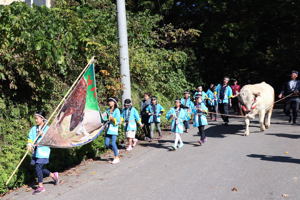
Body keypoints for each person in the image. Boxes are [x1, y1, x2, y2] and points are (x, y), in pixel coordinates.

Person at [27, 111, 59, 195]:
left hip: (44, 151)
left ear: (42, 119)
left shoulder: (47, 128)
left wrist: (43, 134)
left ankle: (40, 186)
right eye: (35, 118)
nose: (36, 120)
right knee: (40, 168)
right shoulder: (34, 129)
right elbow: (30, 138)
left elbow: (52, 139)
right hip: (36, 152)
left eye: (37, 118)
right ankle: (53, 175)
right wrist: (29, 144)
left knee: (38, 167)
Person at [102, 97, 121, 164]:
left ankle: (116, 157)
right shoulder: (107, 110)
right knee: (106, 144)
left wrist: (112, 118)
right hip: (108, 129)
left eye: (111, 101)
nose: (109, 102)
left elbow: (118, 121)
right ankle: (115, 150)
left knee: (113, 143)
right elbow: (103, 118)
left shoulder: (117, 110)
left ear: (114, 102)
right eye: (109, 101)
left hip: (114, 129)